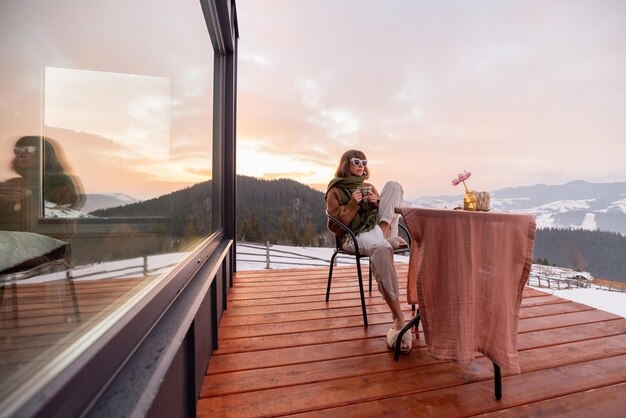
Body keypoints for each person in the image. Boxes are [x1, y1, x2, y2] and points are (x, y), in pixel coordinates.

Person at [325, 149, 412, 353]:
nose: (361, 164)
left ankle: (382, 240)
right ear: (346, 164)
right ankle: (398, 318)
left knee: (394, 186)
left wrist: (376, 203)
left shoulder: (368, 186)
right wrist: (353, 204)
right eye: (357, 161)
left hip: (376, 229)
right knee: (381, 248)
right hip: (353, 235)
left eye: (364, 161)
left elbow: (386, 210)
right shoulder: (335, 191)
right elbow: (335, 226)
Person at [0, 135, 84, 229]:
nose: (21, 156)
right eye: (17, 151)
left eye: (29, 150)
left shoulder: (61, 183)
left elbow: (56, 221)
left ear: (45, 155)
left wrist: (26, 197)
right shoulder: (13, 183)